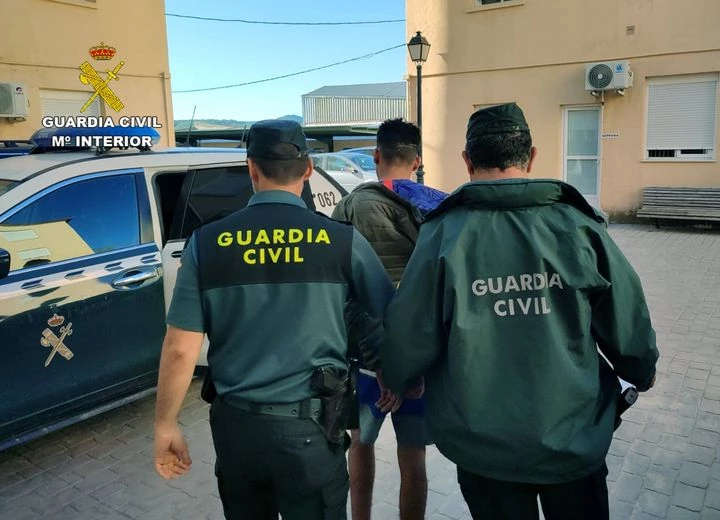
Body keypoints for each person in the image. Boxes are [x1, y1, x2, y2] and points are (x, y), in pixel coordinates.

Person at [379, 103, 659, 520]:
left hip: (484, 447)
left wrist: (398, 378)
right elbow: (627, 322)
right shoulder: (578, 226)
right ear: (531, 157)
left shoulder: (442, 232)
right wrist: (641, 371)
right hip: (573, 439)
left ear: (467, 161)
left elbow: (409, 331)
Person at [152, 119, 395, 520]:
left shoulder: (207, 243)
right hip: (311, 433)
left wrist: (165, 424)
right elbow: (389, 314)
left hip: (238, 430)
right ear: (308, 169)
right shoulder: (341, 240)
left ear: (251, 168)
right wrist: (393, 373)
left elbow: (180, 348)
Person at [332, 118, 446, 520]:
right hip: (418, 358)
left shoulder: (350, 207)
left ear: (376, 155)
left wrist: (380, 364)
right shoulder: (435, 209)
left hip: (365, 360)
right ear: (417, 161)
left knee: (359, 443)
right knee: (413, 458)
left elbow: (346, 291)